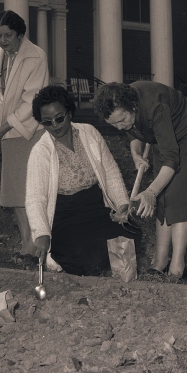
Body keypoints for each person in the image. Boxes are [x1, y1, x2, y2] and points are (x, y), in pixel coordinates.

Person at [94, 81, 187, 280]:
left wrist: (150, 192)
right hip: (164, 137)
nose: (120, 126)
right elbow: (134, 130)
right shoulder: (123, 108)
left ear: (132, 106)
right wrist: (135, 154)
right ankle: (160, 261)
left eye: (122, 120)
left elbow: (171, 159)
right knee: (164, 196)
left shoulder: (155, 107)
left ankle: (177, 267)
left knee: (178, 195)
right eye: (114, 124)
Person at [26, 85, 141, 275]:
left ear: (70, 113)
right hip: (66, 217)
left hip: (96, 208)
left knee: (131, 234)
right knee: (89, 257)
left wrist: (122, 204)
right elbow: (35, 197)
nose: (55, 125)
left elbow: (110, 171)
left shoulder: (89, 133)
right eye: (47, 122)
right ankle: (62, 256)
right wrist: (42, 233)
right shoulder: (41, 151)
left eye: (59, 118)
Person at [0, 10, 48, 266]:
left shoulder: (36, 56)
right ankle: (26, 242)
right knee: (14, 191)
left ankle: (36, 242)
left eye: (8, 35)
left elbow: (33, 100)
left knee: (29, 190)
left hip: (29, 130)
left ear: (20, 34)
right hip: (7, 129)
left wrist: (3, 128)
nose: (3, 41)